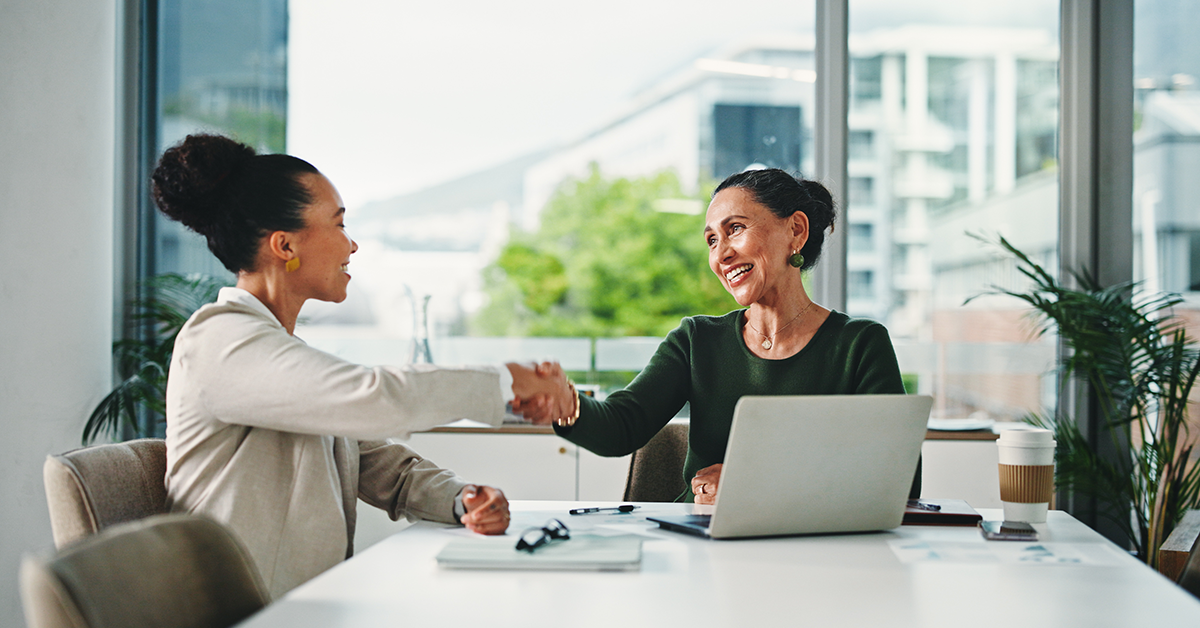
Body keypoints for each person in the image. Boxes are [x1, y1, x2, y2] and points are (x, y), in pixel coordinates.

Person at [153, 133, 573, 598]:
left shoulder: (273, 352)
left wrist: (460, 499)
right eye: (339, 224)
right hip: (241, 616)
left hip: (302, 609)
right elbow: (373, 397)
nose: (351, 245)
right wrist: (506, 380)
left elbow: (374, 460)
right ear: (285, 246)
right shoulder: (219, 341)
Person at [538, 168, 918, 504]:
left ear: (796, 231)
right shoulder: (696, 340)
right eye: (711, 240)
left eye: (734, 229)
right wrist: (565, 403)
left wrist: (754, 483)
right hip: (700, 546)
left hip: (813, 555)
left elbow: (899, 476)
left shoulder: (860, 345)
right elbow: (620, 428)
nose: (722, 254)